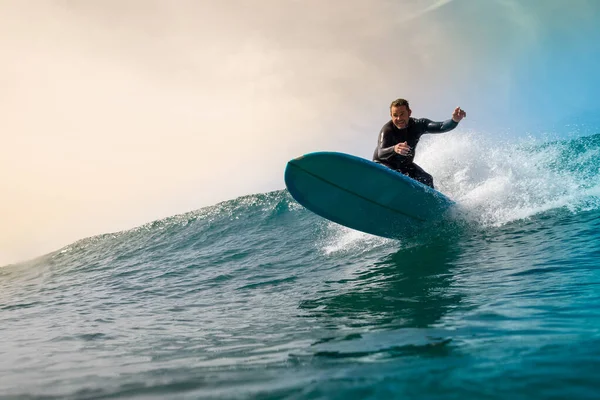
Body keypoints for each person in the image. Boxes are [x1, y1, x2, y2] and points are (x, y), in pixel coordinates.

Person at [372, 98, 466, 189]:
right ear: (391, 115)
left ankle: (428, 203)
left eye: (402, 114)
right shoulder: (387, 130)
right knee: (396, 175)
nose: (399, 118)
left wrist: (454, 121)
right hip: (383, 164)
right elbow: (381, 153)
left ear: (409, 112)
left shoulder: (418, 125)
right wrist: (394, 149)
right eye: (395, 115)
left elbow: (441, 126)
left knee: (427, 179)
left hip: (404, 166)